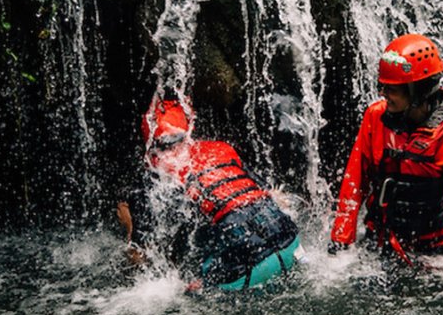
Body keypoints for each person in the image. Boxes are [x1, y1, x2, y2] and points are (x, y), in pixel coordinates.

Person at [329, 34, 443, 269]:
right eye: (381, 86)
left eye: (392, 89)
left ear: (419, 91)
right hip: (381, 240)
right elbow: (354, 183)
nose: (384, 93)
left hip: (435, 250)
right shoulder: (375, 116)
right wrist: (341, 241)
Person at [117, 96, 303, 291]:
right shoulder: (220, 149)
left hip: (247, 265)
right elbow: (272, 195)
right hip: (290, 240)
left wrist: (129, 229)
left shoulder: (159, 173)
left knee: (183, 289)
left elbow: (141, 251)